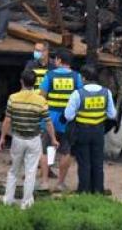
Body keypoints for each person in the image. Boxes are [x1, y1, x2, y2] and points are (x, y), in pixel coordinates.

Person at [0, 69, 59, 209]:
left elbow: (7, 120)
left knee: (14, 170)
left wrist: (2, 137)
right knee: (30, 172)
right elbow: (48, 122)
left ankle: (8, 200)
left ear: (21, 81)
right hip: (34, 139)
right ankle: (26, 203)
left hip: (17, 139)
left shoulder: (13, 98)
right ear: (35, 83)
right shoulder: (41, 101)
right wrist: (54, 139)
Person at [65, 65, 117, 193]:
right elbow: (112, 114)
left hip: (82, 131)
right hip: (98, 131)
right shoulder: (106, 92)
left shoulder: (78, 94)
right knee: (98, 162)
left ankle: (84, 190)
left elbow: (68, 115)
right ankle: (98, 189)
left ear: (84, 78)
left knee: (84, 162)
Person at [39, 47, 83, 191]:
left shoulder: (49, 76)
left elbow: (41, 97)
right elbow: (80, 98)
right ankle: (60, 183)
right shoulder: (76, 77)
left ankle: (44, 182)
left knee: (45, 149)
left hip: (50, 117)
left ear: (58, 60)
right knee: (66, 151)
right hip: (68, 119)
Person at [24, 41, 56, 190]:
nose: (36, 52)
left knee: (48, 142)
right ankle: (32, 168)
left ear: (46, 51)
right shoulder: (31, 65)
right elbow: (25, 84)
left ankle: (48, 168)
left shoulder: (53, 67)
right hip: (33, 107)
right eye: (35, 49)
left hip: (48, 108)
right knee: (31, 139)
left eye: (39, 50)